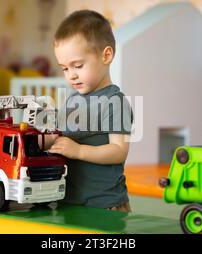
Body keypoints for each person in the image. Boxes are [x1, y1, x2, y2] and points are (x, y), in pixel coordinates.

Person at [48, 10, 133, 212]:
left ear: (106, 55)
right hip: (69, 201)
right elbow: (60, 136)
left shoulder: (114, 101)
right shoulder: (71, 101)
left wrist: (79, 151)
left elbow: (119, 151)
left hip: (105, 204)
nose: (71, 76)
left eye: (77, 65)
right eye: (65, 69)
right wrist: (45, 140)